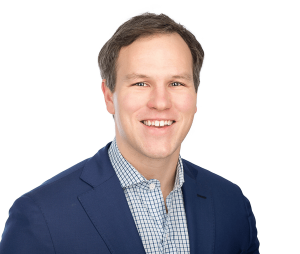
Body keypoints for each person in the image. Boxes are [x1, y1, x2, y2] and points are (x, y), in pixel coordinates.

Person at [0, 13, 260, 254]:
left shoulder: (232, 205)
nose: (160, 102)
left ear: (195, 96)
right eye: (140, 83)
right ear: (108, 96)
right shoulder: (41, 217)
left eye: (176, 83)